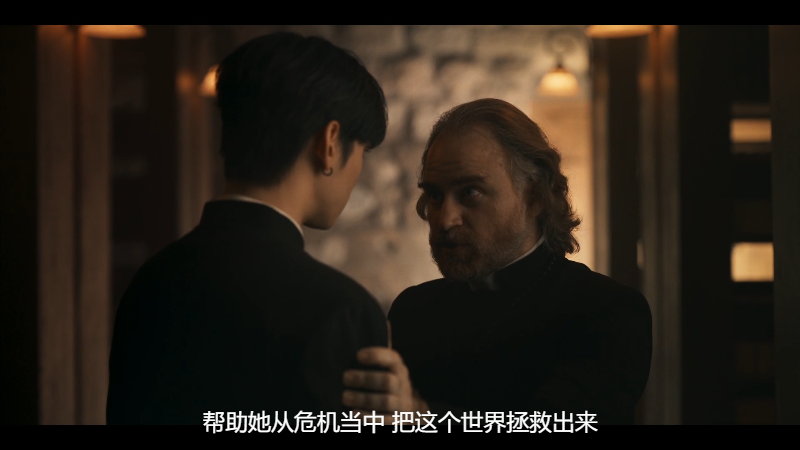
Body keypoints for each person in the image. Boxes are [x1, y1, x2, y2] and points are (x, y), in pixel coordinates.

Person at [107, 32, 389, 425]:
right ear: (329, 143)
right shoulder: (343, 311)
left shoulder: (149, 283)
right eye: (362, 152)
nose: (358, 171)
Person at [341, 98, 652, 427]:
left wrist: (425, 417)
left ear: (534, 197)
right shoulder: (413, 310)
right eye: (435, 195)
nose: (445, 219)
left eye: (470, 192)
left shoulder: (607, 311)